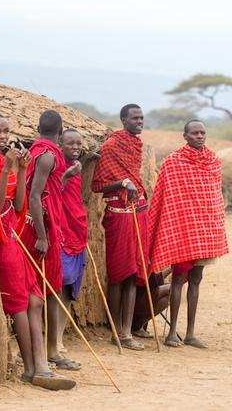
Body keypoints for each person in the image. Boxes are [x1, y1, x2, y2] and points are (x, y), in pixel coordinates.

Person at [0, 113, 75, 390]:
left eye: (5, 131)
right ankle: (30, 368)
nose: (1, 136)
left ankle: (41, 366)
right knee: (21, 304)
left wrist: (21, 170)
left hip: (14, 237)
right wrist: (5, 171)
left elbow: (19, 204)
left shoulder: (8, 162)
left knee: (36, 301)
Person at [147, 119, 228, 349]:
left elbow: (214, 197)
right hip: (181, 231)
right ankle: (172, 332)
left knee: (196, 280)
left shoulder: (213, 162)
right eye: (194, 133)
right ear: (185, 136)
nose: (199, 136)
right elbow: (168, 200)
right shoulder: (173, 162)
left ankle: (190, 333)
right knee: (178, 280)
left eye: (203, 132)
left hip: (204, 231)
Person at [20, 110, 79, 370]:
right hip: (41, 227)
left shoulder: (37, 151)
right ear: (61, 130)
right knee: (49, 286)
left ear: (37, 128)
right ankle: (50, 351)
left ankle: (49, 349)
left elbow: (48, 189)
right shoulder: (47, 155)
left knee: (48, 286)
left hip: (43, 222)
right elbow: (34, 196)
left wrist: (66, 177)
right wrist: (43, 236)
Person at [91, 103, 149, 350]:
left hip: (139, 212)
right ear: (123, 119)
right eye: (135, 118)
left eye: (142, 118)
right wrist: (122, 183)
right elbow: (97, 185)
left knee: (135, 273)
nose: (140, 121)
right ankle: (116, 330)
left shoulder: (136, 146)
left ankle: (127, 331)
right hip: (118, 214)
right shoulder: (112, 146)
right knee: (118, 274)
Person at [56, 128, 93, 354]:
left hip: (78, 233)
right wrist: (65, 176)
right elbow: (47, 194)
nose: (76, 147)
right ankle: (50, 339)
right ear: (61, 144)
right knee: (60, 282)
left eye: (79, 143)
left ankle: (59, 337)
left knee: (70, 289)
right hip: (62, 235)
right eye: (70, 143)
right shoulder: (55, 165)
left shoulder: (79, 170)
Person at [132, 269, 171, 339]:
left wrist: (170, 269)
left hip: (141, 299)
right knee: (171, 290)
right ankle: (136, 325)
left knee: (168, 296)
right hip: (137, 300)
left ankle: (139, 324)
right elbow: (153, 286)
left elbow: (155, 281)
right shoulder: (145, 262)